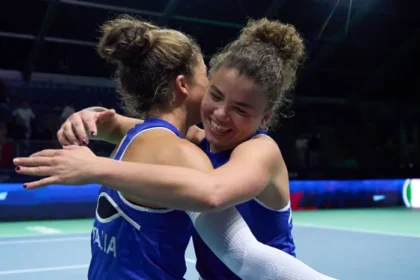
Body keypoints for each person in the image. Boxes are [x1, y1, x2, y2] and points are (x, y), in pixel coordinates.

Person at [14, 17, 337, 280]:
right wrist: (91, 116)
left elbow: (213, 195)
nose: (221, 114)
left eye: (241, 109)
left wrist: (95, 168)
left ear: (265, 118)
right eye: (216, 94)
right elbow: (127, 126)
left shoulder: (260, 151)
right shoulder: (197, 141)